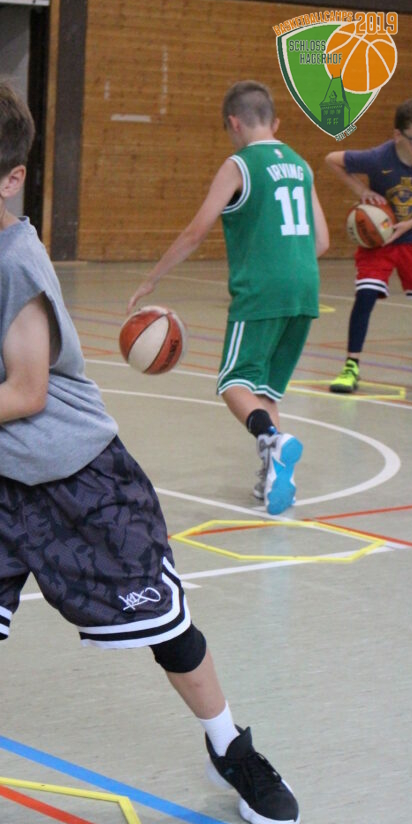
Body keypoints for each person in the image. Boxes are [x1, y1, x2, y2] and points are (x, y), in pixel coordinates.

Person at [0, 78, 300, 824]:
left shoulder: (20, 263)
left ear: (9, 180)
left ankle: (232, 748)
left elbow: (25, 391)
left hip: (78, 475)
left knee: (164, 629)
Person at [128, 80, 329, 515]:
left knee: (233, 382)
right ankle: (275, 473)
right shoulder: (301, 165)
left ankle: (273, 440)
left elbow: (195, 231)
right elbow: (322, 241)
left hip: (261, 289)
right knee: (264, 388)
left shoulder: (239, 164)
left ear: (234, 123)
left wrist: (152, 279)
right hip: (305, 287)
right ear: (274, 122)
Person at [325, 98, 412, 393]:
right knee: (365, 296)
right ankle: (351, 366)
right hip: (379, 243)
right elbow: (332, 159)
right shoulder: (378, 158)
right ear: (398, 135)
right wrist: (361, 189)